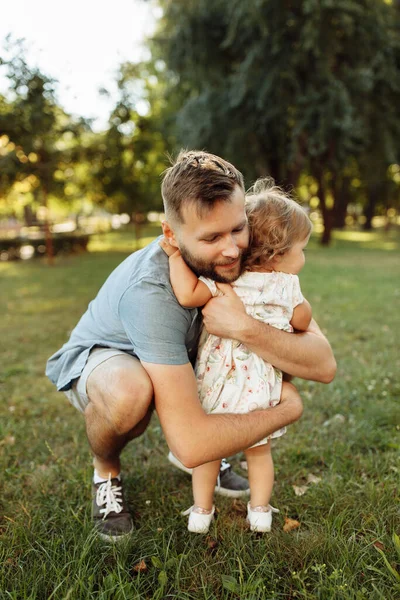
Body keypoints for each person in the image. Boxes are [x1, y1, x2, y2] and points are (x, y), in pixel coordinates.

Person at [45, 150, 336, 542]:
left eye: (237, 229)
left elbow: (323, 364)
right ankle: (105, 470)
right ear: (171, 235)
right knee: (133, 393)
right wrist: (287, 409)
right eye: (212, 238)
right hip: (106, 357)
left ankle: (210, 438)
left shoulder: (251, 257)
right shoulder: (152, 294)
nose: (232, 249)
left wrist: (245, 327)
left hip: (178, 360)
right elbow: (190, 446)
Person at [160, 179, 313, 533]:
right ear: (277, 253)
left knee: (210, 452)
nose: (303, 258)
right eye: (301, 250)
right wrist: (296, 308)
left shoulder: (228, 280)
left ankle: (201, 512)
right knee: (259, 453)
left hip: (217, 381)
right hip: (259, 386)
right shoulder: (287, 287)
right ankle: (259, 513)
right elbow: (302, 320)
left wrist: (174, 256)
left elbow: (187, 294)